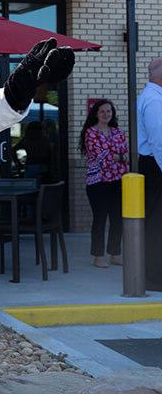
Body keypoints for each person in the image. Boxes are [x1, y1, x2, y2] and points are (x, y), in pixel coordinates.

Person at [79, 99, 128, 268]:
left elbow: (124, 153)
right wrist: (117, 156)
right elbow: (100, 156)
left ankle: (115, 253)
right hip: (97, 182)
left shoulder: (118, 132)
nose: (106, 114)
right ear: (96, 114)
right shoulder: (90, 133)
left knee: (117, 219)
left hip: (117, 181)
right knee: (100, 218)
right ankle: (98, 256)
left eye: (109, 111)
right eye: (102, 111)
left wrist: (115, 156)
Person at [138, 58, 162, 290]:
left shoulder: (152, 97)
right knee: (156, 224)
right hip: (155, 167)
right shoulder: (154, 100)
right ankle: (154, 278)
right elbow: (159, 142)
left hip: (152, 165)